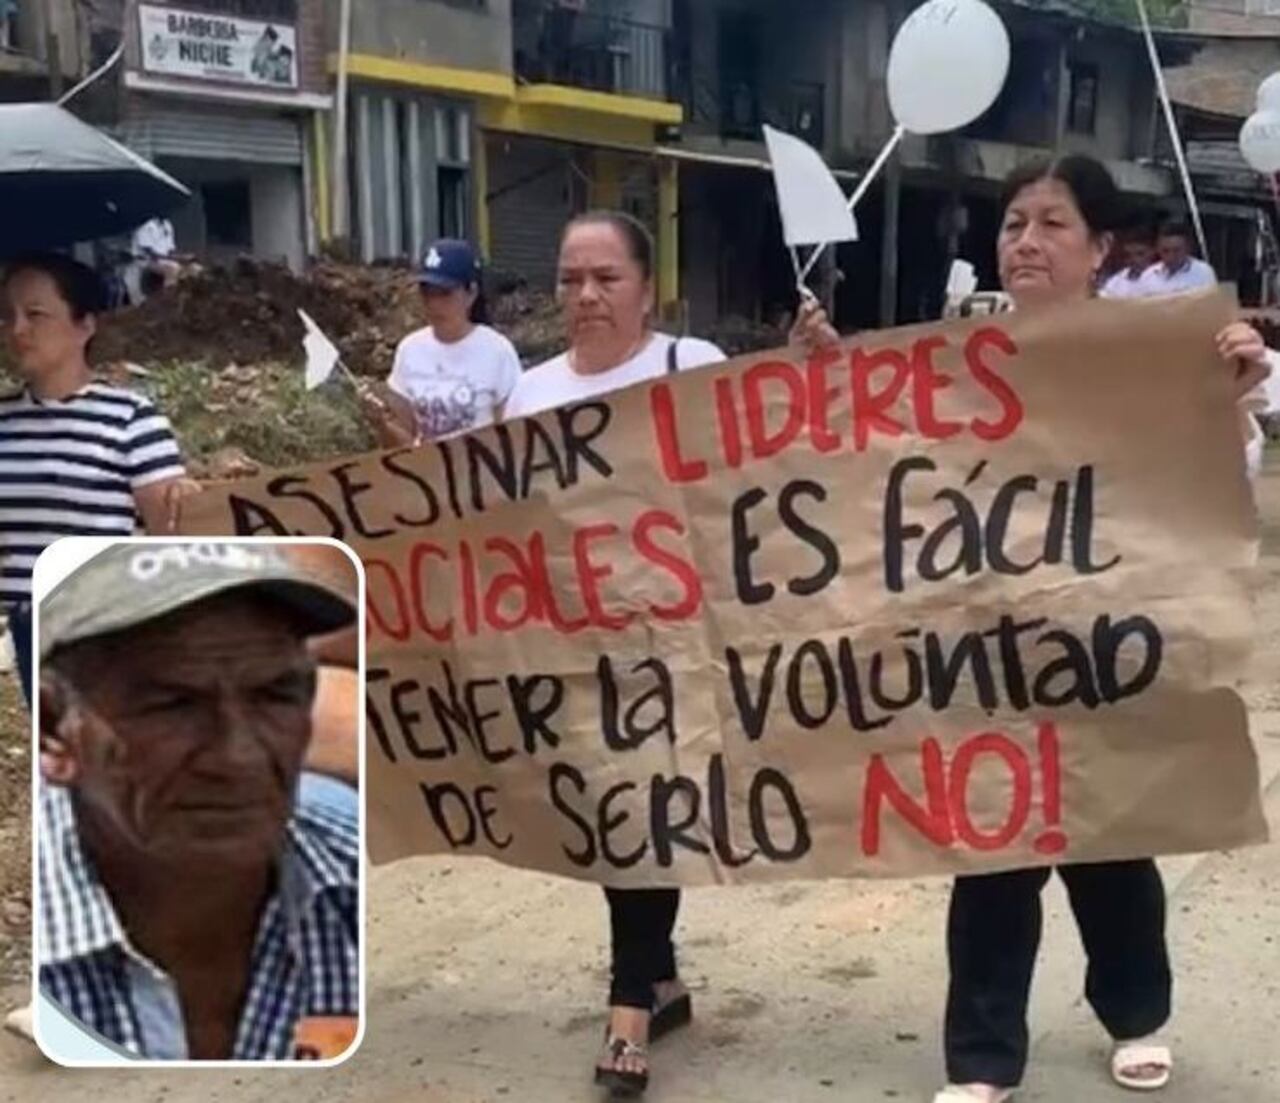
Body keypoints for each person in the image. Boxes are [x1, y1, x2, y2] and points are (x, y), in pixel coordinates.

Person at [795, 155, 1267, 1103]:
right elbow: (887, 457)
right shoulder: (953, 366)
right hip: (989, 655)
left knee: (1112, 845)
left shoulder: (1158, 352)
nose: (1026, 241)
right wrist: (830, 374)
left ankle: (1138, 1015)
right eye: (1014, 223)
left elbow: (1228, 463)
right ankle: (981, 1057)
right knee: (992, 855)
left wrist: (1246, 383)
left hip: (1110, 652)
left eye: (1052, 223)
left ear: (1100, 248)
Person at [503, 210, 726, 1097]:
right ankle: (661, 976)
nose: (587, 296)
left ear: (646, 286)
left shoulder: (694, 366)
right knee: (608, 817)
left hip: (671, 640)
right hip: (568, 644)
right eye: (570, 279)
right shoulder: (528, 392)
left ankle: (628, 1005)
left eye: (606, 277)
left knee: (645, 812)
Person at [36, 541, 360, 1060]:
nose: (240, 757)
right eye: (173, 705)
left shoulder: (351, 891)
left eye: (276, 695)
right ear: (55, 731)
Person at [0, 252, 194, 708]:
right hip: (31, 632)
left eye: (36, 315)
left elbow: (172, 532)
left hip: (108, 631)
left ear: (85, 324)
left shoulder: (130, 419)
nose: (18, 330)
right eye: (8, 316)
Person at [360, 239, 522, 448]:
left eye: (445, 294)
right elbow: (401, 449)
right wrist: (382, 424)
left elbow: (514, 435)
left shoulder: (497, 351)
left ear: (471, 293)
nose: (435, 304)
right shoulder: (410, 351)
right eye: (428, 294)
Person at [1134, 220, 1217, 298]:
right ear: (1158, 249)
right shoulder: (1149, 275)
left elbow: (1209, 305)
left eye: (1177, 250)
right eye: (1165, 251)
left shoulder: (1203, 272)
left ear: (1188, 249)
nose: (1171, 256)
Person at [1099, 228, 1157, 300]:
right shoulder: (1116, 280)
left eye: (1140, 254)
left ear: (1153, 252)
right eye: (1128, 255)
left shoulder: (1162, 278)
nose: (1134, 260)